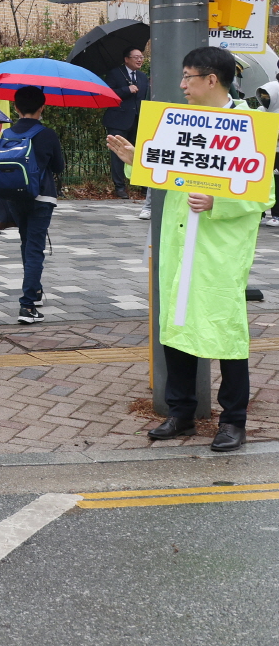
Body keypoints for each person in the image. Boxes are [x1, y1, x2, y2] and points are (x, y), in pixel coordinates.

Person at [108, 47, 264, 452]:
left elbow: (264, 193)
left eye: (188, 77)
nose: (182, 86)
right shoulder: (181, 122)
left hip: (218, 250)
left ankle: (233, 421)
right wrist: (134, 159)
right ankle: (181, 413)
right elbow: (166, 169)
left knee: (227, 334)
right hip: (179, 241)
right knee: (175, 327)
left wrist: (220, 202)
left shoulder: (250, 125)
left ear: (211, 79)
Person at [0, 86, 64, 325]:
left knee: (27, 244)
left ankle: (34, 292)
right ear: (42, 107)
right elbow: (58, 167)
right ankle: (27, 306)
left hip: (13, 198)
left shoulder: (6, 134)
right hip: (41, 197)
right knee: (35, 248)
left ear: (16, 107)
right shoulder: (47, 134)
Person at [101, 47, 149, 200]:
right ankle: (120, 187)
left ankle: (144, 187)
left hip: (139, 120)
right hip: (118, 121)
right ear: (126, 59)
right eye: (136, 57)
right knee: (118, 154)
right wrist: (126, 89)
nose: (139, 60)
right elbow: (107, 94)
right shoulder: (115, 73)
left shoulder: (143, 77)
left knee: (140, 152)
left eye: (141, 57)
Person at [257, 80, 279, 228]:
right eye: (263, 96)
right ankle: (260, 213)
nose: (265, 99)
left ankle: (276, 214)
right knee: (260, 182)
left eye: (268, 96)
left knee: (276, 185)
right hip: (263, 152)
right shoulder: (260, 111)